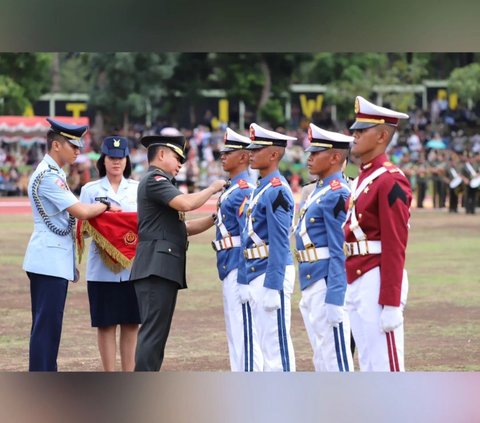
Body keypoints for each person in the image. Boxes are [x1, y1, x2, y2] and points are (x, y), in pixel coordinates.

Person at [23, 118, 120, 372]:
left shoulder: (55, 174)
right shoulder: (48, 176)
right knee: (47, 328)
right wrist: (106, 204)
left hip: (52, 260)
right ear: (56, 145)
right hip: (48, 261)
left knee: (48, 327)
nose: (78, 150)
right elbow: (80, 211)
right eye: (72, 145)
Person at [130, 129, 226, 371]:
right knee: (152, 335)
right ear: (161, 154)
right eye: (177, 159)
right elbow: (186, 203)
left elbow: (181, 229)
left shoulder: (160, 183)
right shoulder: (155, 180)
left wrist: (215, 217)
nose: (179, 166)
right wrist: (213, 188)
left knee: (156, 335)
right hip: (156, 269)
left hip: (161, 268)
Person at [344, 96, 412, 372]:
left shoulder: (390, 179)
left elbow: (396, 244)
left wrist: (391, 301)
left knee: (386, 365)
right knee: (368, 363)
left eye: (362, 130)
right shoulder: (363, 177)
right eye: (355, 129)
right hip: (357, 276)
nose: (354, 134)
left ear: (383, 135)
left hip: (376, 277)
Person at [294, 123, 354, 372]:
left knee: (336, 358)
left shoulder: (338, 193)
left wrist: (336, 297)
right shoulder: (320, 190)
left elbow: (340, 249)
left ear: (335, 157)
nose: (309, 158)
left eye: (315, 153)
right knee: (321, 354)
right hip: (311, 277)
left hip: (327, 280)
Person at [238, 123, 297, 372]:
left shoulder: (277, 190)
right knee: (264, 343)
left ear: (274, 155)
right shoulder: (261, 187)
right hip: (255, 269)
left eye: (257, 149)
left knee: (276, 348)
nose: (251, 153)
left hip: (271, 272)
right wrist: (243, 277)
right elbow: (246, 237)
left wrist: (273, 285)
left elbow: (280, 241)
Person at [79, 136, 140, 371]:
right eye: (111, 158)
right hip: (101, 270)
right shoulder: (90, 190)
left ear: (127, 161)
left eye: (120, 158)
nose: (116, 162)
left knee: (131, 324)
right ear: (103, 160)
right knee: (105, 325)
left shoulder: (137, 189)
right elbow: (81, 228)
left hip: (133, 267)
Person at [213, 127, 262, 371]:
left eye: (228, 152)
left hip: (237, 264)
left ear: (243, 157)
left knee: (245, 333)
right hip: (227, 262)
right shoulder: (234, 187)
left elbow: (248, 237)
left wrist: (244, 276)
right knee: (236, 331)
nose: (222, 156)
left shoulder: (244, 189)